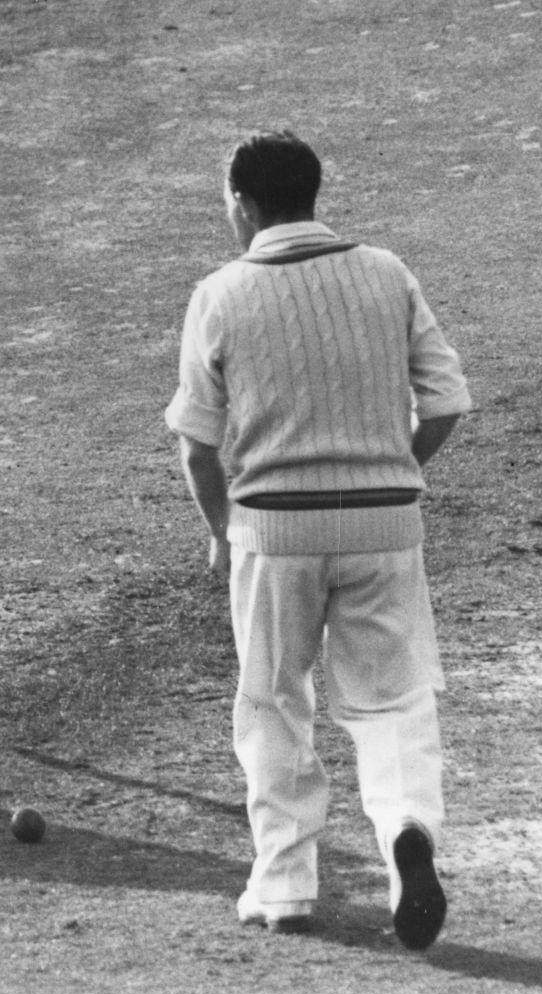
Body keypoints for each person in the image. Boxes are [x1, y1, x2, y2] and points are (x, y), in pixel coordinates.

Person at [166, 133, 470, 947]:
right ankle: (408, 827)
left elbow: (197, 445)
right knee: (395, 699)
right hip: (384, 524)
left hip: (274, 530)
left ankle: (286, 884)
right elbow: (444, 401)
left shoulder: (220, 293)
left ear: (243, 203)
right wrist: (389, 467)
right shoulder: (385, 271)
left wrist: (224, 527)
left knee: (273, 702)